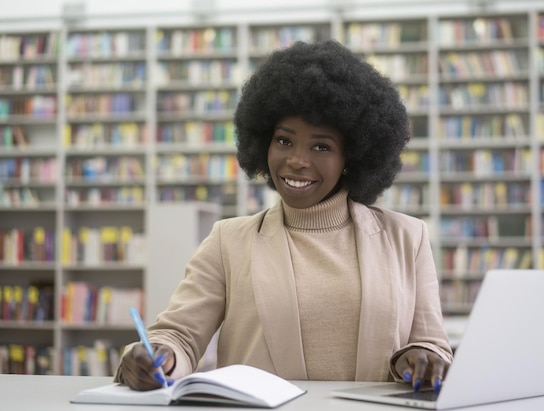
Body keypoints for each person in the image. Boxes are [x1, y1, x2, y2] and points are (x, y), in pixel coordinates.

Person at [114, 39, 453, 392]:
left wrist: (418, 360)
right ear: (263, 143)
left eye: (321, 146)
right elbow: (178, 335)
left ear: (352, 156)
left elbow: (431, 344)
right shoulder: (228, 241)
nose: (297, 160)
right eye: (284, 141)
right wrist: (159, 355)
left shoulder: (407, 238)